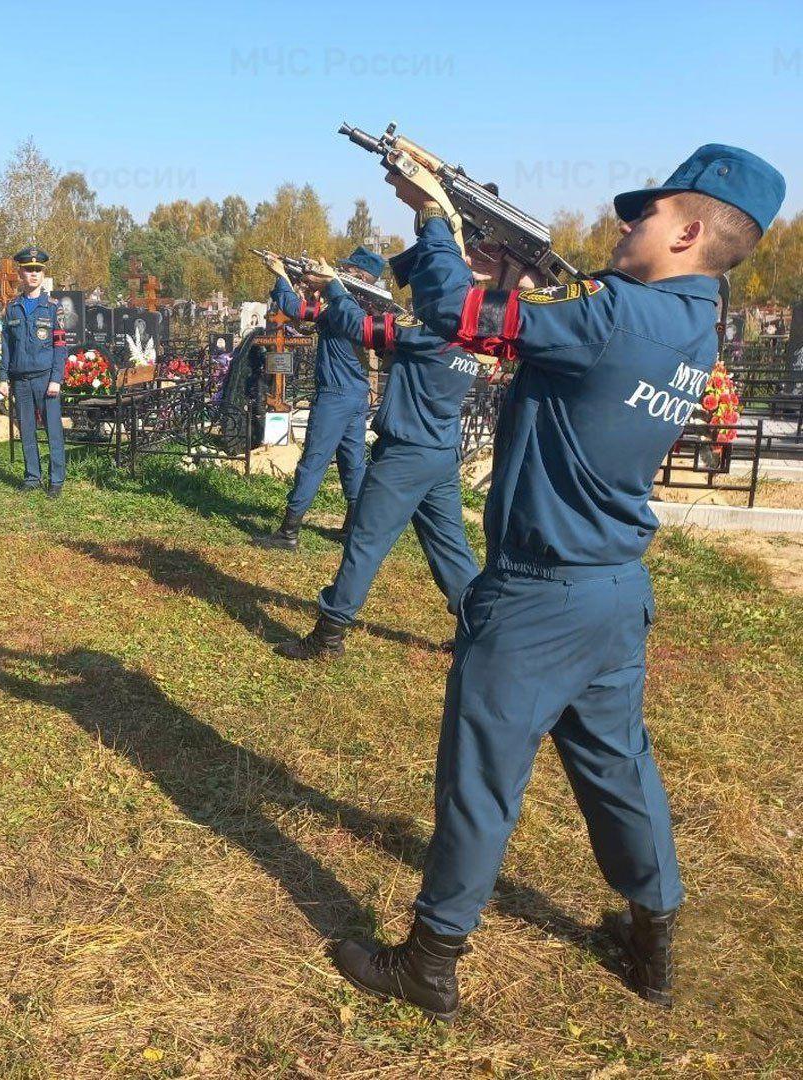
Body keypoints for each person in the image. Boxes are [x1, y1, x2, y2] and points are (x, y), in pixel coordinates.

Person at [331, 145, 785, 1020]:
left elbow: (452, 310)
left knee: (480, 779)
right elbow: (558, 345)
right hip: (614, 590)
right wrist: (508, 263)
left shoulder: (615, 315)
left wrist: (433, 220)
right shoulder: (694, 320)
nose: (626, 222)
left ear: (688, 232)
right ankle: (651, 938)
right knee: (618, 767)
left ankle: (430, 962)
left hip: (539, 595)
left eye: (645, 215)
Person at [274, 251, 483, 660]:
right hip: (441, 452)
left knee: (364, 542)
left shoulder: (427, 332)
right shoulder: (469, 340)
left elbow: (359, 326)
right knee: (451, 547)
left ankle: (328, 635)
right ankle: (481, 631)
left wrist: (334, 285)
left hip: (405, 454)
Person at [255, 246, 385, 550]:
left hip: (335, 396)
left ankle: (288, 532)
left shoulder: (342, 307)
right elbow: (307, 315)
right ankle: (353, 527)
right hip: (355, 395)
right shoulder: (359, 308)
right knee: (352, 462)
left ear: (355, 275)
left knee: (313, 461)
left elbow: (293, 308)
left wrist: (279, 275)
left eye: (347, 269)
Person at [0, 247, 69, 497]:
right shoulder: (12, 308)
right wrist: (3, 377)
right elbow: (6, 345)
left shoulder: (52, 307)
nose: (34, 274)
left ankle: (56, 479)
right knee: (27, 428)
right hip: (21, 380)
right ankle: (32, 477)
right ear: (21, 273)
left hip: (45, 378)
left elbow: (60, 346)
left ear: (43, 273)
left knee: (52, 430)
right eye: (29, 270)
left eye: (38, 270)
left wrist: (56, 379)